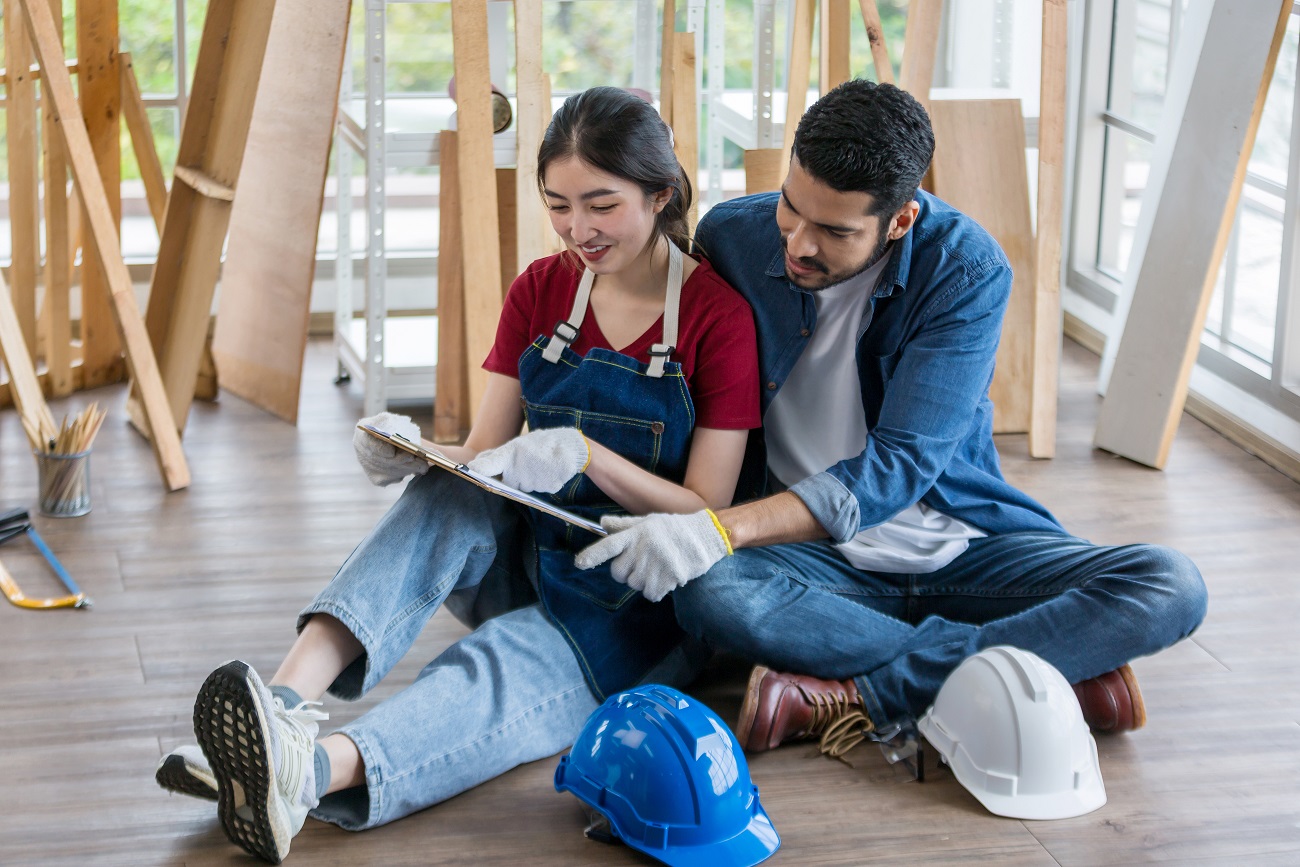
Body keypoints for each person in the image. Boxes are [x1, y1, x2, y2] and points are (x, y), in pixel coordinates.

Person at [156, 86, 760, 864]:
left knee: (489, 669)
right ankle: (276, 710)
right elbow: (484, 452)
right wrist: (407, 453)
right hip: (530, 557)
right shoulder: (540, 291)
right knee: (445, 489)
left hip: (631, 608)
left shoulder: (717, 317)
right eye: (559, 206)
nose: (579, 229)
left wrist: (587, 454)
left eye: (602, 205)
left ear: (661, 193)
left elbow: (708, 508)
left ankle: (299, 774)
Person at [576, 80, 1208, 760]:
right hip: (813, 559)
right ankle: (1035, 670)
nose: (800, 244)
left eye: (836, 231)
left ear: (901, 219)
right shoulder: (732, 239)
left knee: (1170, 583)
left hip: (963, 545)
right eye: (793, 209)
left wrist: (715, 528)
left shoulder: (965, 268)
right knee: (707, 590)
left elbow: (899, 467)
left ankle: (862, 695)